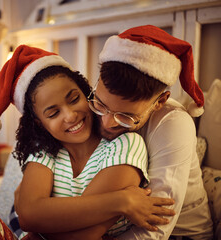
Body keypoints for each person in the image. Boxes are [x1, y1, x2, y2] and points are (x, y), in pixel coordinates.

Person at [0, 45, 175, 240]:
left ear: (86, 91)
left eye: (74, 98)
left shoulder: (124, 145)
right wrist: (121, 201)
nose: (70, 116)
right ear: (39, 123)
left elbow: (86, 234)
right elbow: (27, 217)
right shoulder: (44, 152)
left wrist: (39, 225)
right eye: (53, 113)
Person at [89, 25, 214, 239]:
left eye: (126, 116)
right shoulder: (92, 106)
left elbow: (157, 226)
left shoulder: (174, 123)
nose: (107, 123)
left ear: (160, 102)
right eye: (101, 105)